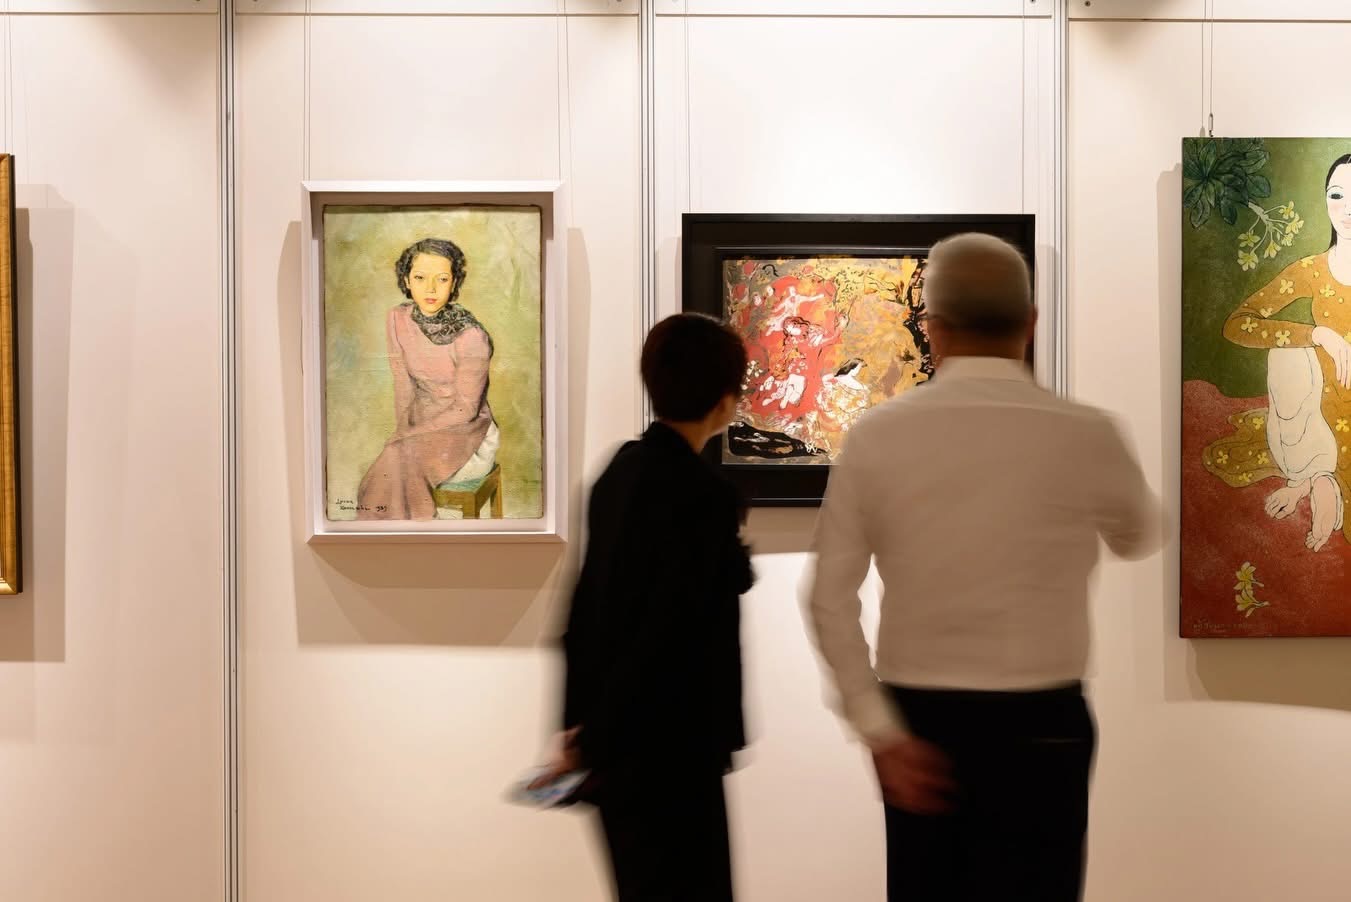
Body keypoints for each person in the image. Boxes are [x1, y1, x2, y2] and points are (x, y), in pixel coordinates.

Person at [804, 233, 1162, 902]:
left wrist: (877, 728)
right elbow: (1141, 534)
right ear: (1030, 323)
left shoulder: (878, 435)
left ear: (933, 329)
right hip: (1045, 726)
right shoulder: (1087, 432)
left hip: (920, 725)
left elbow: (828, 597)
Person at [550, 313, 755, 901]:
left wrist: (578, 727)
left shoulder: (617, 472)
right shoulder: (705, 495)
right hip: (676, 745)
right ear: (726, 401)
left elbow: (587, 605)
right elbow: (670, 629)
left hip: (611, 744)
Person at [1210, 153, 1351, 552]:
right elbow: (1239, 324)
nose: (1348, 209)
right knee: (1286, 353)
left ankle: (1313, 482)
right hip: (1320, 408)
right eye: (1337, 195)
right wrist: (1317, 334)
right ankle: (1313, 476)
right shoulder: (1311, 270)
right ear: (1324, 201)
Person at [357, 237, 500, 520]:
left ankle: (415, 536)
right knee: (393, 461)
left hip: (466, 432)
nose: (431, 289)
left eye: (442, 279)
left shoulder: (472, 335)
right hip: (419, 424)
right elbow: (403, 385)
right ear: (407, 280)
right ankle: (389, 538)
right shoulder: (397, 318)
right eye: (420, 277)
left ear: (454, 282)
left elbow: (466, 409)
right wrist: (403, 431)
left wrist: (411, 436)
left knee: (399, 460)